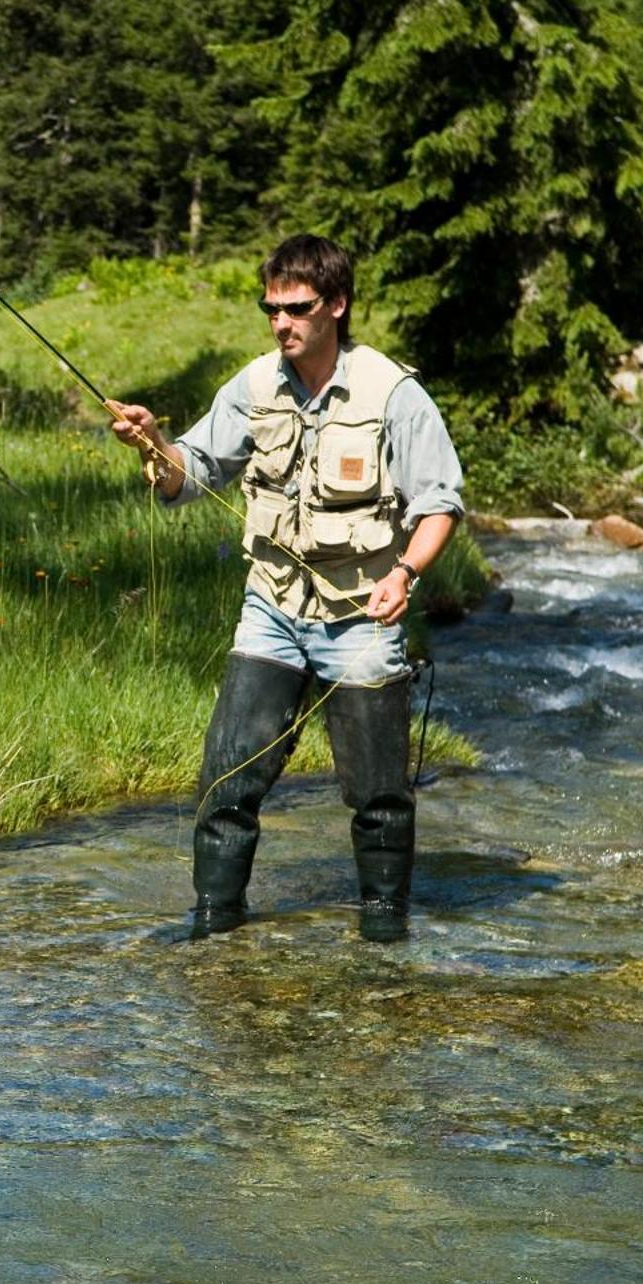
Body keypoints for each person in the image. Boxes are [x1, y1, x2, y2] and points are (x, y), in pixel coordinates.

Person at [106, 234, 464, 941]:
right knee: (225, 782)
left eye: (296, 308)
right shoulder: (253, 386)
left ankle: (386, 936)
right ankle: (213, 931)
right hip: (270, 607)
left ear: (337, 304)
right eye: (270, 309)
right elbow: (192, 470)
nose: (280, 323)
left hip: (361, 613)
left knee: (378, 797)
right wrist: (154, 446)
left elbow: (440, 504)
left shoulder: (395, 395)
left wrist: (405, 574)